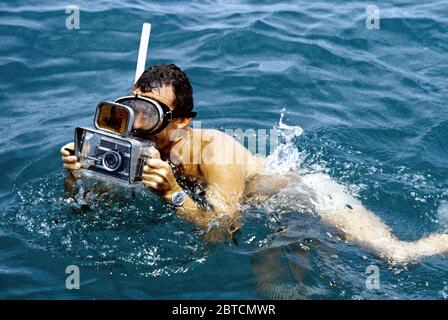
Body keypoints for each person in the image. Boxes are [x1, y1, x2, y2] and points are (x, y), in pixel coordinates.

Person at [61, 63, 448, 263]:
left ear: (181, 122)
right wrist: (74, 180)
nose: (139, 125)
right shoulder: (133, 147)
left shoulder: (216, 151)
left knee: (398, 256)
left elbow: (222, 232)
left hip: (305, 197)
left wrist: (174, 195)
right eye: (134, 111)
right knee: (274, 285)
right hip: (262, 210)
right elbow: (90, 211)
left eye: (151, 115)